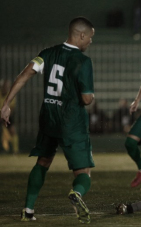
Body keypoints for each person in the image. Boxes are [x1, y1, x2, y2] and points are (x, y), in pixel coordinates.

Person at [0, 17, 96, 223]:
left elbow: (24, 75)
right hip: (71, 122)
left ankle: (28, 210)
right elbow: (87, 99)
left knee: (42, 162)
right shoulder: (83, 61)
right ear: (81, 35)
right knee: (83, 173)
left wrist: (6, 104)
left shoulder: (47, 54)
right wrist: (88, 96)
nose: (90, 42)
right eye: (90, 38)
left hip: (48, 118)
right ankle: (76, 193)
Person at [0, 79, 19, 154]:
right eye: (4, 86)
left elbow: (11, 109)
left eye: (6, 87)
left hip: (6, 116)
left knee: (12, 131)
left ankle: (15, 151)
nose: (5, 88)